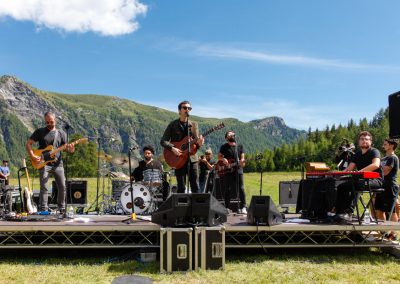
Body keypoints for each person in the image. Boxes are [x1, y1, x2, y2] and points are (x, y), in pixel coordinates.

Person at [26, 111, 74, 213]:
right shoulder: (39, 132)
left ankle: (61, 209)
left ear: (55, 121)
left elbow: (68, 149)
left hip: (58, 164)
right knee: (44, 187)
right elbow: (28, 144)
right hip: (43, 163)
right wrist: (33, 156)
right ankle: (43, 210)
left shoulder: (61, 133)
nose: (49, 124)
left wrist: (71, 148)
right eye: (47, 122)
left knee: (62, 186)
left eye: (51, 122)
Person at [335, 131, 383, 221]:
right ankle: (339, 213)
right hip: (362, 180)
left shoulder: (374, 151)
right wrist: (336, 173)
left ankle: (349, 212)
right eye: (362, 139)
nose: (364, 141)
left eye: (366, 139)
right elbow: (349, 169)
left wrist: (360, 172)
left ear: (370, 142)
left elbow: (376, 164)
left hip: (376, 180)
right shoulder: (357, 154)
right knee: (341, 187)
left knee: (356, 184)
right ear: (359, 142)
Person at [160, 100, 204, 193]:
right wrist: (173, 148)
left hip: (192, 158)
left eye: (189, 108)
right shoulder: (173, 125)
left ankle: (196, 207)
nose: (187, 109)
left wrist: (199, 144)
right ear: (179, 111)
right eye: (185, 108)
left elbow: (196, 142)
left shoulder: (194, 125)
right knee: (181, 187)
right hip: (178, 159)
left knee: (195, 186)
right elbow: (163, 141)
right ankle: (182, 207)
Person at [218, 130, 247, 214]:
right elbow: (219, 157)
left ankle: (243, 207)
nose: (232, 135)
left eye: (233, 133)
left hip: (238, 170)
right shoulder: (224, 147)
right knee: (228, 188)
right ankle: (226, 207)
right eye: (230, 134)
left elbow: (242, 157)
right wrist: (223, 159)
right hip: (228, 170)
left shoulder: (240, 146)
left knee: (241, 188)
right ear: (226, 138)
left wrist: (242, 161)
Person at [375, 139, 399, 228]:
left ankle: (393, 233)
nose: (383, 145)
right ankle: (384, 232)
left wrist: (376, 169)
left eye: (386, 144)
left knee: (391, 211)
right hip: (381, 186)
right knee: (379, 210)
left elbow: (385, 172)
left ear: (392, 146)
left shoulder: (393, 157)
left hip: (390, 187)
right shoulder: (383, 158)